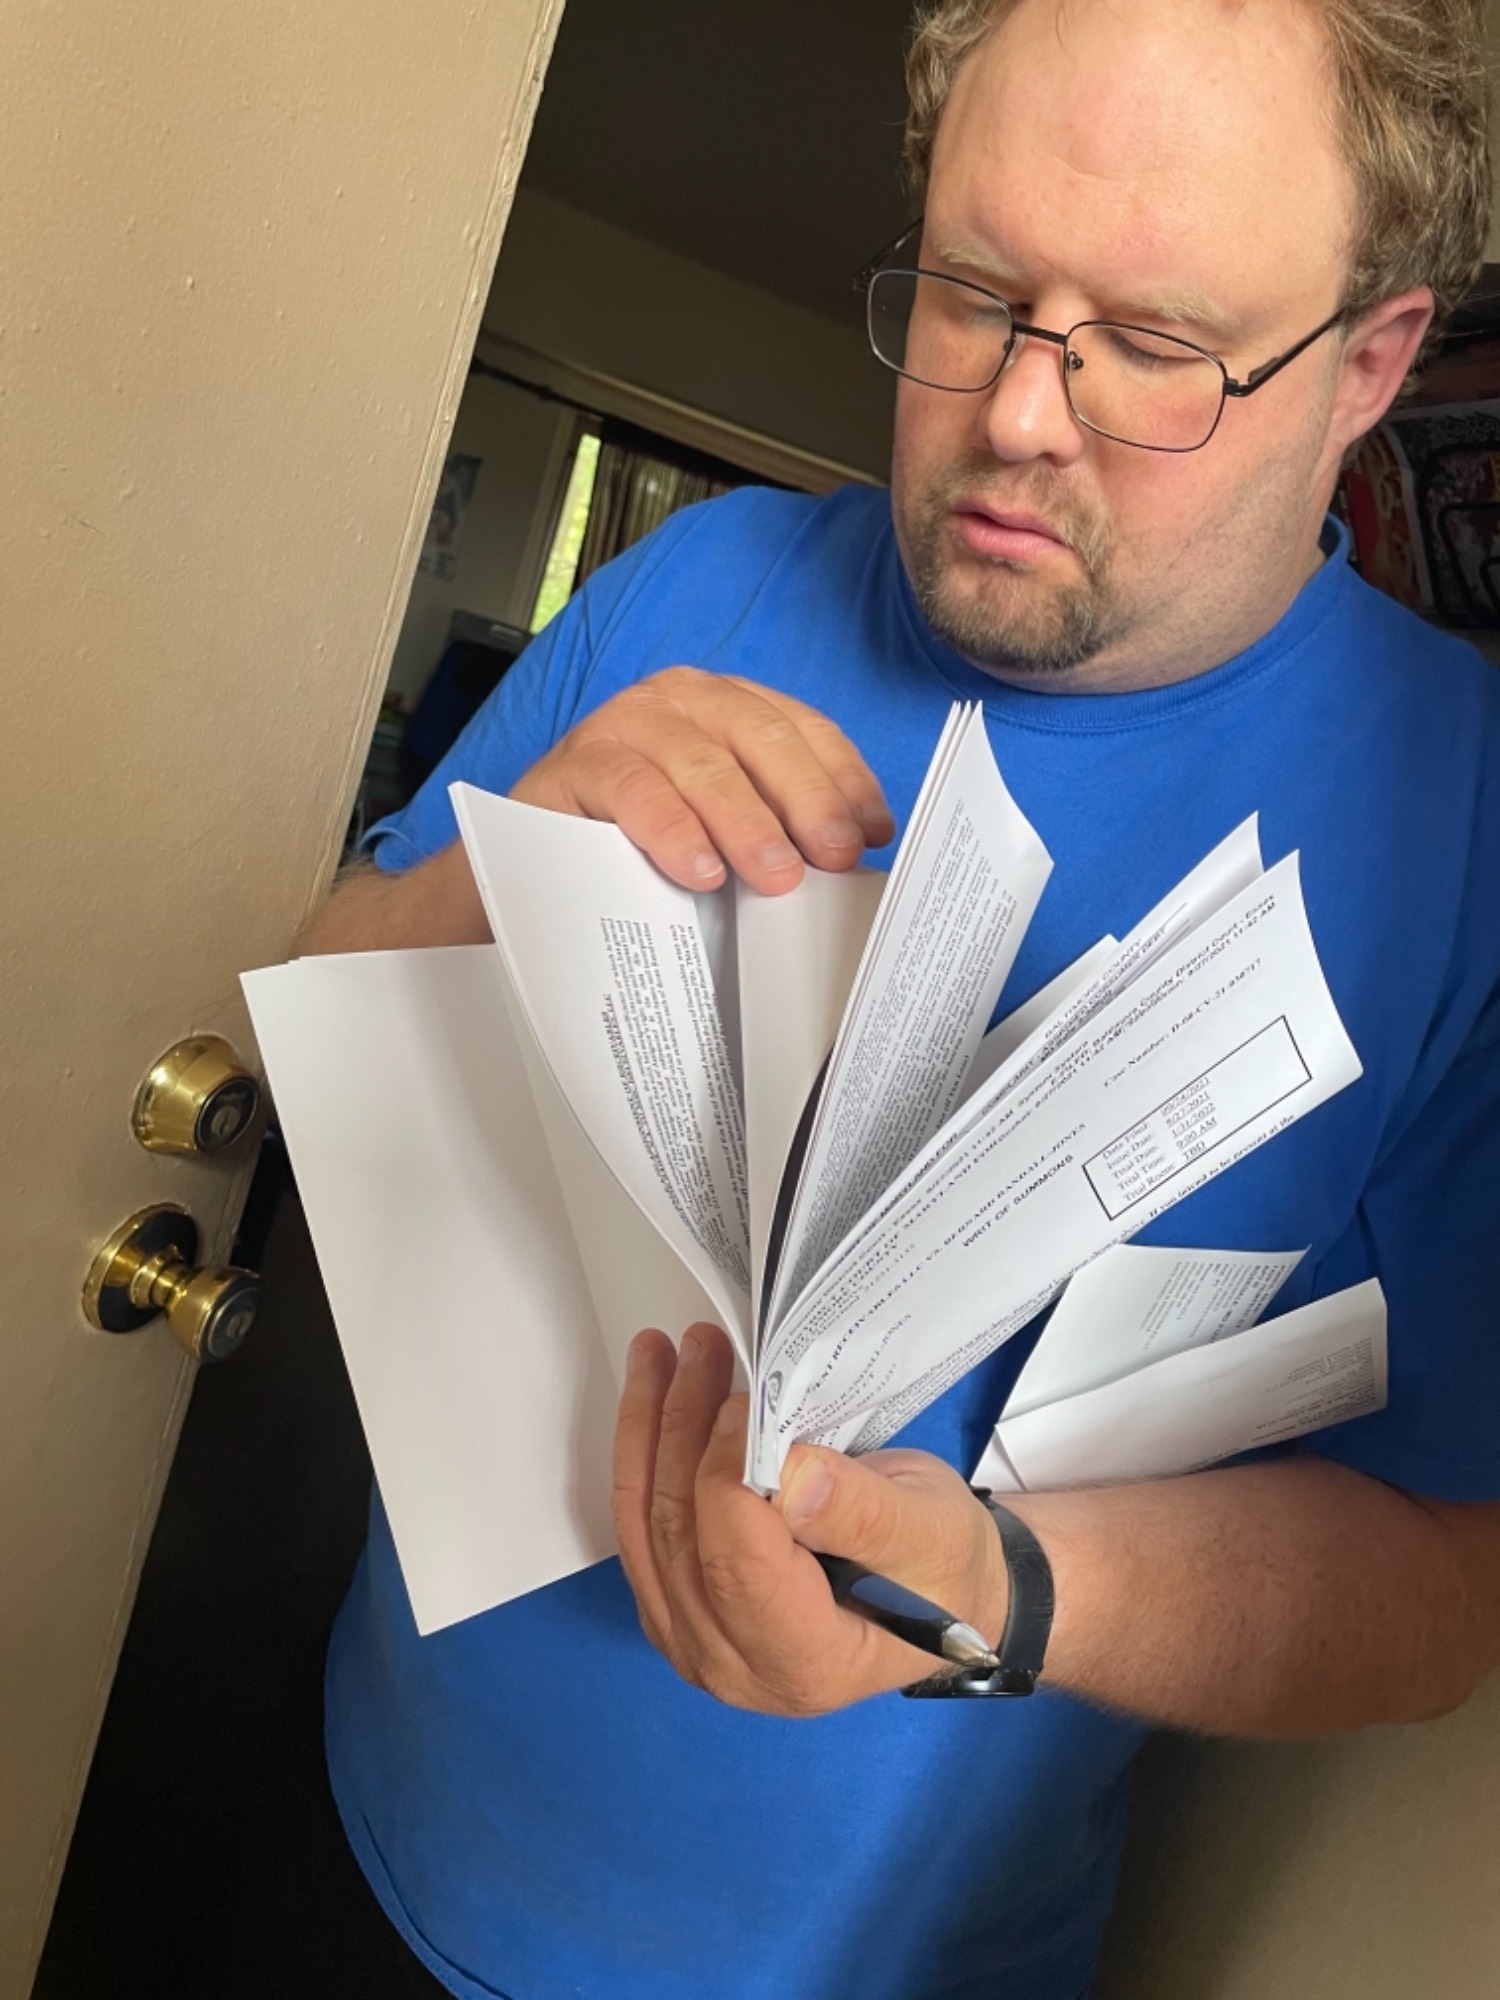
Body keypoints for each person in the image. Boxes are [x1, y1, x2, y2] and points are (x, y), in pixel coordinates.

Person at [302, 1, 1500, 1995]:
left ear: (1368, 364)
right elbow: (314, 1013)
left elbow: (1451, 1582)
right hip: (372, 1812)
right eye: (972, 290)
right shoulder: (692, 585)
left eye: (1156, 344)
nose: (1022, 413)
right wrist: (484, 889)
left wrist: (994, 1593)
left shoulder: (1465, 829)